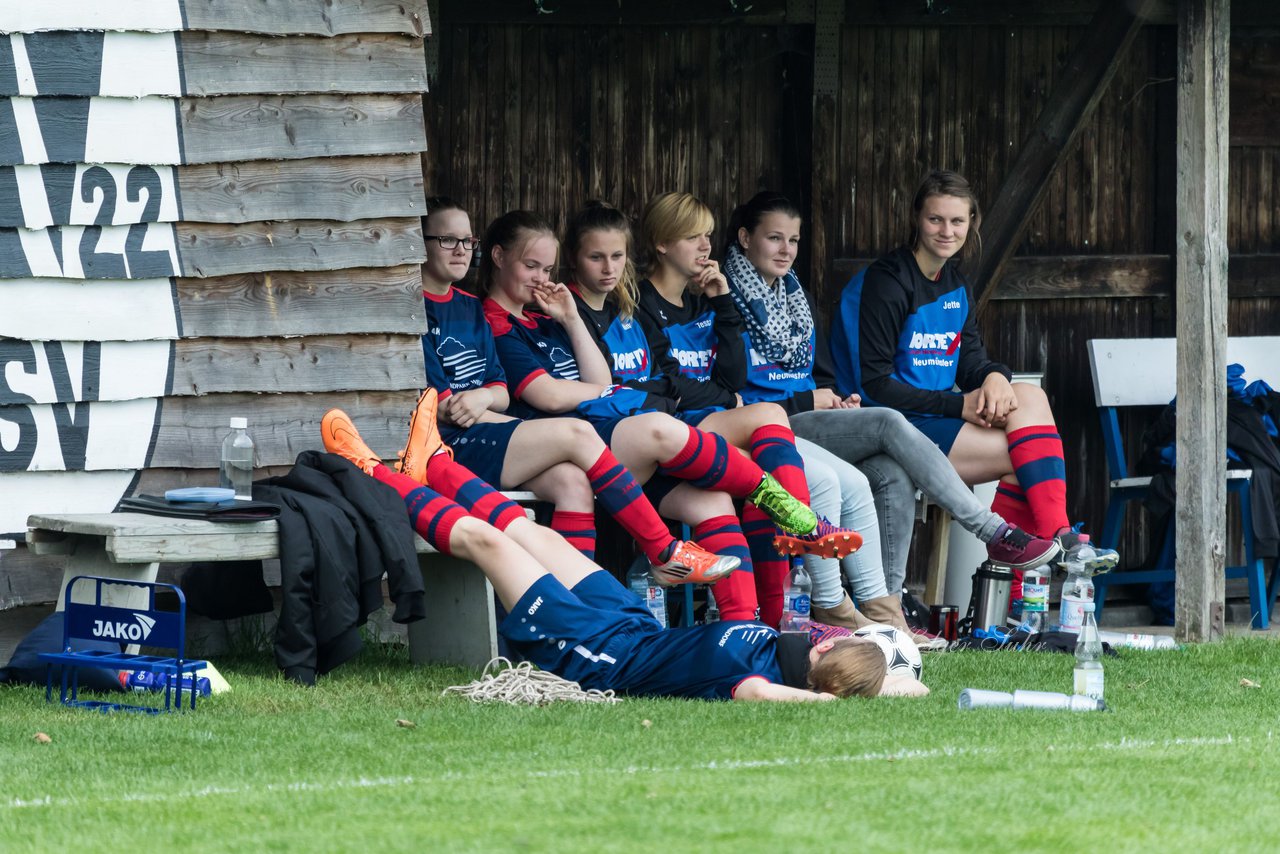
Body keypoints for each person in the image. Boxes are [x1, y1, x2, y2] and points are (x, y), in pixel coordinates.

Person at [320, 394, 927, 699]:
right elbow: (850, 667)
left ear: (821, 672)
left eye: (839, 646)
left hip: (591, 653)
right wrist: (889, 677)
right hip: (628, 623)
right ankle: (434, 464)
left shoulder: (755, 682)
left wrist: (846, 697)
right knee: (530, 532)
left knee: (486, 542)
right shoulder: (779, 644)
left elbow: (788, 698)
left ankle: (372, 471)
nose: (833, 636)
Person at [477, 208, 863, 628]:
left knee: (719, 489)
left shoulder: (546, 315)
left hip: (614, 435)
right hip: (580, 444)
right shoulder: (494, 322)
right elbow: (551, 395)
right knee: (663, 429)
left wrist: (570, 320)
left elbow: (604, 379)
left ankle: (754, 628)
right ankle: (794, 516)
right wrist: (619, 392)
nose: (540, 278)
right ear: (499, 258)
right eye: (531, 266)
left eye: (546, 268)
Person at [565, 199, 903, 641]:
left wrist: (723, 302)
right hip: (666, 431)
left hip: (691, 426)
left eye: (708, 234)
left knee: (764, 428)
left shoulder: (689, 300)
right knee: (767, 428)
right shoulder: (636, 303)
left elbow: (726, 375)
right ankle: (798, 545)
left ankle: (760, 626)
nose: (706, 246)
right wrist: (723, 395)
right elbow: (665, 387)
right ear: (662, 244)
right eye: (693, 236)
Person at [719, 189, 1061, 621]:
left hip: (818, 419)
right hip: (768, 427)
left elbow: (821, 374)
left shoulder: (793, 298)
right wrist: (811, 398)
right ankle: (992, 531)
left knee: (893, 470)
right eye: (774, 238)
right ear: (746, 238)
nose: (786, 250)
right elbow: (727, 388)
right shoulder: (724, 301)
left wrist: (837, 400)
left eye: (793, 240)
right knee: (888, 423)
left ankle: (887, 611)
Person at [414, 196, 734, 585]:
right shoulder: (418, 310)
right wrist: (504, 411)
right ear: (419, 241)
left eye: (467, 241)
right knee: (583, 434)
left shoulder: (468, 306)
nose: (461, 250)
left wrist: (488, 395)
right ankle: (664, 551)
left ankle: (577, 602)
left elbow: (497, 388)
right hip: (447, 444)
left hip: (493, 426)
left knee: (573, 481)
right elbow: (445, 407)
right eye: (448, 240)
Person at [829, 170, 1117, 573]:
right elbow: (875, 387)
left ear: (971, 223)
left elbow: (970, 362)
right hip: (891, 425)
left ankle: (1054, 543)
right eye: (936, 219)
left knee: (1030, 397)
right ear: (917, 218)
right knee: (1028, 460)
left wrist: (995, 376)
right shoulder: (887, 282)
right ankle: (1033, 565)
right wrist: (959, 406)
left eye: (957, 221)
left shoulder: (955, 284)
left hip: (934, 418)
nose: (947, 230)